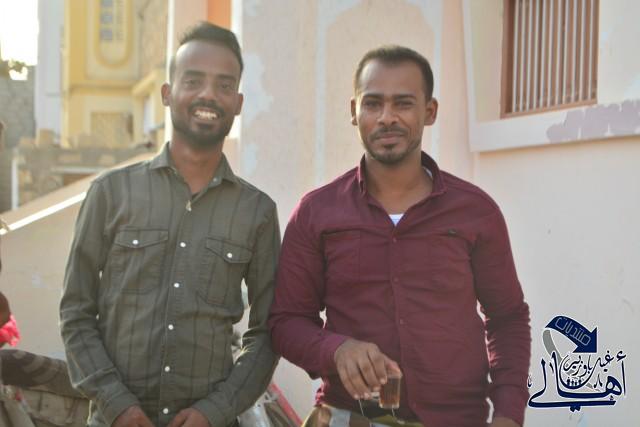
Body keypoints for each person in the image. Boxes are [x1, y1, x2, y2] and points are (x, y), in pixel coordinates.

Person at [269, 45, 531, 427]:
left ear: (430, 111)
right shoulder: (316, 213)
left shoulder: (476, 212)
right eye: (373, 103)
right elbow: (285, 321)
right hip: (348, 417)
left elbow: (507, 318)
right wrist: (336, 349)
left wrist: (508, 414)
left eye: (403, 103)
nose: (387, 117)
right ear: (354, 111)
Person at [60, 22, 280, 427]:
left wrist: (215, 411)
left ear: (238, 102)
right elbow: (76, 312)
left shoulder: (258, 212)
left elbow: (269, 332)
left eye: (224, 85)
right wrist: (116, 405)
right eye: (193, 81)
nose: (208, 94)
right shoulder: (110, 193)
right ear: (167, 93)